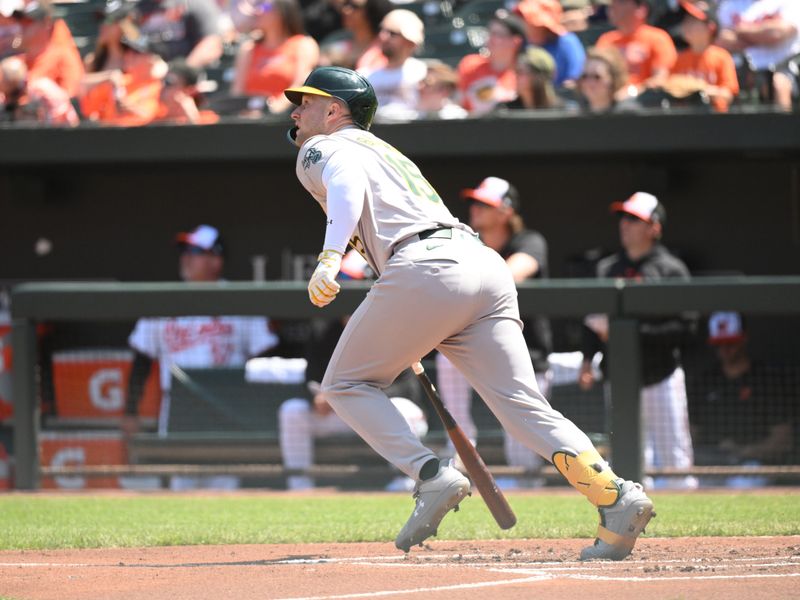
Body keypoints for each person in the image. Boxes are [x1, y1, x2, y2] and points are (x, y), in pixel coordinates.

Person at [282, 66, 655, 560]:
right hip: (481, 264)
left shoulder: (325, 145)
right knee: (524, 409)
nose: (295, 110)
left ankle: (430, 475)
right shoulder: (387, 151)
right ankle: (615, 497)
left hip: (428, 268)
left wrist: (330, 256)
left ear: (334, 110)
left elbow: (347, 185)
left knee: (345, 384)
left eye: (306, 102)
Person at [122, 225, 279, 489]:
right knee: (180, 488)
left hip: (227, 406)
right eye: (184, 251)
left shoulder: (240, 300)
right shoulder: (163, 302)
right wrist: (130, 411)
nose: (186, 258)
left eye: (195, 251)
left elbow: (267, 357)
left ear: (216, 260)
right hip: (177, 409)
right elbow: (141, 360)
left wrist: (258, 410)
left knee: (225, 489)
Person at [434, 177, 554, 489]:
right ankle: (461, 448)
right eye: (474, 202)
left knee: (523, 445)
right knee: (447, 357)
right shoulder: (467, 242)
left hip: (527, 355)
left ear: (506, 211)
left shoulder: (529, 241)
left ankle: (531, 496)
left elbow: (509, 274)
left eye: (484, 204)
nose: (475, 208)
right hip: (475, 345)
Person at [579, 192, 697, 490]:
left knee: (674, 458)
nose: (625, 224)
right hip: (618, 378)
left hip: (661, 376)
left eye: (635, 219)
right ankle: (635, 514)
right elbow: (590, 324)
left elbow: (686, 328)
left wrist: (628, 332)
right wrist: (586, 360)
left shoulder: (671, 269)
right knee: (628, 458)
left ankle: (686, 523)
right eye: (624, 218)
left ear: (654, 227)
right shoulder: (607, 268)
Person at [279, 310, 428, 492]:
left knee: (402, 407)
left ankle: (405, 483)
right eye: (351, 311)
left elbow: (407, 387)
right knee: (292, 410)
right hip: (341, 414)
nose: (355, 316)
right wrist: (317, 397)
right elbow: (309, 378)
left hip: (383, 415)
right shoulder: (323, 331)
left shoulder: (391, 331)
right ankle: (299, 487)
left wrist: (357, 396)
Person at [688, 311, 796, 486]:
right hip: (711, 464)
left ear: (743, 339)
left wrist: (743, 451)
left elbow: (783, 440)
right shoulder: (706, 381)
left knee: (741, 484)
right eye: (719, 344)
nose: (725, 350)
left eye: (730, 343)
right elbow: (690, 434)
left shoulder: (765, 379)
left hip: (752, 465)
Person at [229, 0, 319, 114]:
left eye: (265, 6)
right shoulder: (248, 49)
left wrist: (273, 109)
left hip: (286, 118)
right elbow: (237, 90)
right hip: (248, 118)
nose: (258, 11)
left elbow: (300, 84)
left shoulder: (303, 44)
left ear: (283, 11)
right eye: (257, 6)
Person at [717, 0, 800, 111]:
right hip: (744, 66)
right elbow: (724, 39)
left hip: (785, 64)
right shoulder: (730, 4)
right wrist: (762, 34)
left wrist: (739, 31)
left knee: (778, 84)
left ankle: (782, 126)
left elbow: (777, 33)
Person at [79, 35, 168, 126]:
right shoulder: (118, 81)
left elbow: (153, 114)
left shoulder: (161, 85)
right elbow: (88, 107)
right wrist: (107, 78)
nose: (129, 56)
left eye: (136, 53)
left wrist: (128, 107)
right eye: (129, 52)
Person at [670, 1, 739, 112]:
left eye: (693, 21)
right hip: (686, 118)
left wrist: (700, 89)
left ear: (710, 27)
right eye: (686, 20)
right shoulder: (679, 59)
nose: (687, 24)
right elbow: (671, 89)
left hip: (714, 119)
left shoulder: (721, 57)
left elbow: (728, 94)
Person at [596, 0, 677, 92]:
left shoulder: (658, 38)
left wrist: (631, 92)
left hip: (643, 101)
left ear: (641, 9)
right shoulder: (606, 40)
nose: (612, 6)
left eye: (621, 2)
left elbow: (660, 79)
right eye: (612, 2)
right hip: (609, 99)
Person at [457, 9, 528, 115]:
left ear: (516, 41)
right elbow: (459, 103)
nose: (491, 38)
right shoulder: (470, 64)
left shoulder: (524, 73)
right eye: (490, 33)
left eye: (498, 34)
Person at [364, 8, 426, 122]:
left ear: (410, 41)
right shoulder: (364, 76)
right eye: (382, 30)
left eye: (392, 33)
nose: (383, 37)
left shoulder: (424, 73)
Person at [13, 0, 84, 98]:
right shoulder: (16, 62)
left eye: (28, 21)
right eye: (19, 21)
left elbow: (72, 97)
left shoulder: (63, 57)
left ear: (47, 22)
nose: (21, 26)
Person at [514, 0, 586, 86]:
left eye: (530, 21)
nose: (525, 24)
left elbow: (574, 80)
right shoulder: (522, 43)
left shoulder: (567, 42)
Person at [134, 0, 223, 69]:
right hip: (144, 74)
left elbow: (212, 44)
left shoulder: (195, 3)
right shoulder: (138, 7)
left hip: (182, 78)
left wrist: (180, 71)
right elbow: (128, 43)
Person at [0, 54, 78, 124]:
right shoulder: (4, 97)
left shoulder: (45, 90)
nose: (9, 98)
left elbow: (61, 122)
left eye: (15, 93)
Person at [318, 0, 391, 73]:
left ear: (372, 11)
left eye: (354, 7)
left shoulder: (386, 48)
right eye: (346, 4)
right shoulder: (337, 40)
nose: (345, 10)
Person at [499, 45, 570, 110]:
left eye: (520, 72)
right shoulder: (507, 110)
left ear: (539, 76)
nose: (515, 77)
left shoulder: (563, 111)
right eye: (516, 72)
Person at [576, 45, 638, 112]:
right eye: (584, 76)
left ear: (613, 79)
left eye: (597, 77)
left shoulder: (627, 114)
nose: (589, 82)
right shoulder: (573, 114)